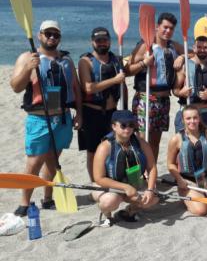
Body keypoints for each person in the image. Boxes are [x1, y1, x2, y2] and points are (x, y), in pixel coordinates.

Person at [10, 20, 82, 216]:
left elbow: (76, 88)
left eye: (55, 34)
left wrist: (80, 114)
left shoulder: (66, 60)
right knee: (34, 162)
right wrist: (28, 68)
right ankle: (25, 202)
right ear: (40, 35)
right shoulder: (27, 57)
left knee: (53, 160)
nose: (52, 37)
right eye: (48, 33)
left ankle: (48, 198)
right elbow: (15, 86)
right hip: (39, 119)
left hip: (63, 117)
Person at [126, 12, 184, 160]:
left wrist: (182, 57)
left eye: (171, 29)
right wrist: (143, 63)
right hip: (146, 99)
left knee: (155, 143)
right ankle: (140, 172)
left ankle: (152, 171)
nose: (168, 31)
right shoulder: (145, 46)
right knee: (141, 141)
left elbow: (192, 53)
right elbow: (127, 71)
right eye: (165, 27)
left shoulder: (174, 46)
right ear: (157, 27)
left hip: (164, 101)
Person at [78, 27, 126, 181]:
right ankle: (95, 183)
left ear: (109, 41)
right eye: (98, 40)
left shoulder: (116, 60)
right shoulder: (85, 62)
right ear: (92, 42)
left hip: (113, 113)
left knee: (113, 147)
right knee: (92, 151)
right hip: (92, 113)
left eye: (104, 40)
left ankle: (110, 178)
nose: (102, 43)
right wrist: (115, 80)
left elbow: (123, 85)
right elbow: (88, 88)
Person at [92, 110, 158, 224]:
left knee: (152, 199)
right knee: (109, 202)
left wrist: (150, 190)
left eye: (131, 125)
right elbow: (99, 178)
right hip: (109, 186)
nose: (127, 129)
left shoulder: (141, 143)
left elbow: (152, 167)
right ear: (114, 126)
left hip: (134, 182)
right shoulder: (104, 147)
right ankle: (107, 214)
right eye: (123, 125)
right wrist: (125, 187)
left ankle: (129, 211)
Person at [173, 34, 207, 133]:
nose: (202, 50)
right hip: (188, 112)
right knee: (184, 146)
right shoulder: (185, 66)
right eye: (199, 47)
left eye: (206, 47)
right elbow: (175, 90)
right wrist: (182, 93)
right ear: (194, 48)